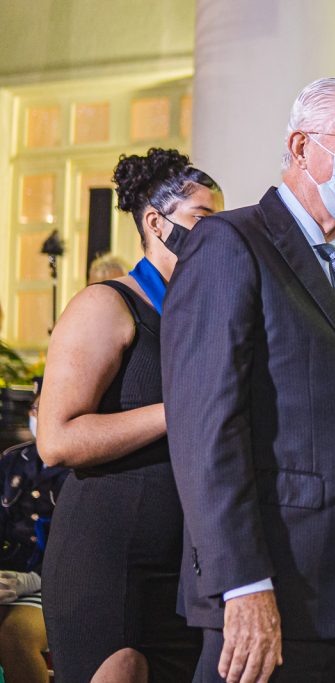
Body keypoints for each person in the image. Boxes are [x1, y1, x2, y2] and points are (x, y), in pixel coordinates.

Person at [161, 77, 335, 683]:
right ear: (301, 147)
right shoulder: (229, 243)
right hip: (265, 593)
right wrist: (241, 583)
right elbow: (206, 429)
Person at [37, 148, 222, 681]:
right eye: (201, 222)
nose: (213, 239)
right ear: (156, 223)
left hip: (181, 564)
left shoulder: (199, 317)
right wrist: (180, 410)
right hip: (108, 552)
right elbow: (56, 439)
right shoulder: (107, 305)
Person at [0, 377, 68, 683]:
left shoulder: (84, 466)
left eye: (47, 407)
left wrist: (36, 578)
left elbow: (81, 545)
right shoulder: (13, 460)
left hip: (58, 583)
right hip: (10, 573)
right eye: (35, 408)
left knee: (16, 634)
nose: (38, 416)